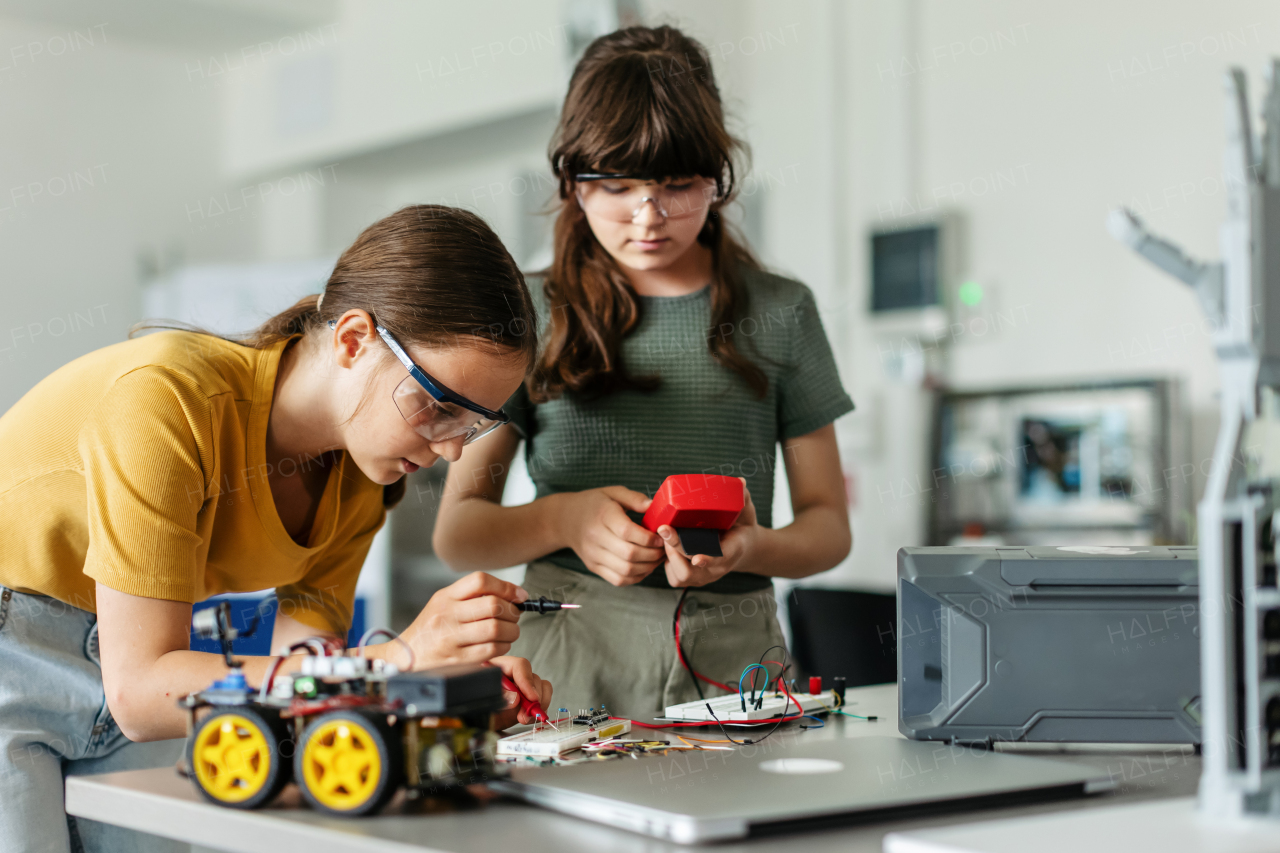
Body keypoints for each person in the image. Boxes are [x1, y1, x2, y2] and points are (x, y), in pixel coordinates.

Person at [0, 205, 552, 853]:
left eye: (472, 423)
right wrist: (398, 661)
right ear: (353, 339)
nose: (453, 450)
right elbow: (141, 689)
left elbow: (306, 670)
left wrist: (446, 688)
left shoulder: (359, 483)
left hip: (133, 681)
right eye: (436, 405)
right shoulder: (168, 400)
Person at [433, 27, 853, 720]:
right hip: (569, 651)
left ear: (718, 177)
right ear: (571, 182)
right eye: (617, 186)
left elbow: (829, 526)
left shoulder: (781, 311)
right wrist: (566, 518)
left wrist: (751, 547)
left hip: (734, 654)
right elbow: (459, 533)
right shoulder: (532, 312)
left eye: (678, 185)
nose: (648, 216)